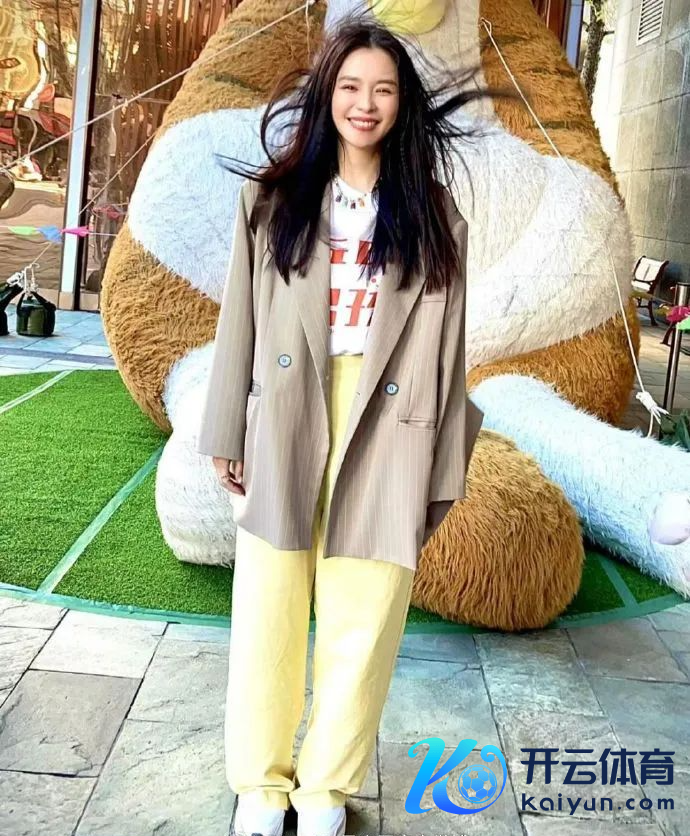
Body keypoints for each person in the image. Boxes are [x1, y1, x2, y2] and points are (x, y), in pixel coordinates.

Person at [197, 13, 509, 836]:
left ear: (402, 105)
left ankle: (325, 790)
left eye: (383, 90)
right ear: (327, 95)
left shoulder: (434, 215)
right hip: (286, 411)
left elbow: (449, 353)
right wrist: (226, 428)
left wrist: (443, 470)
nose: (365, 104)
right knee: (268, 602)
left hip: (391, 419)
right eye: (350, 86)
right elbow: (239, 324)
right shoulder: (272, 201)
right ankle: (261, 786)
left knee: (366, 614)